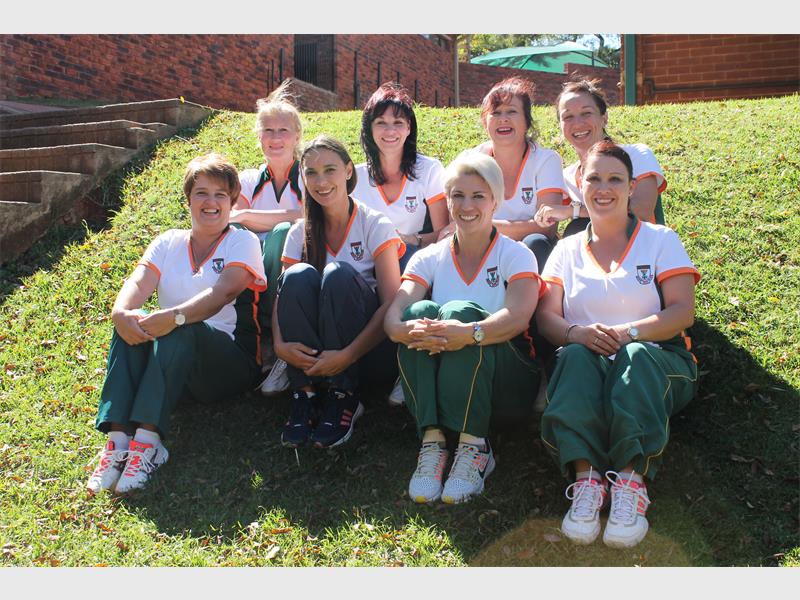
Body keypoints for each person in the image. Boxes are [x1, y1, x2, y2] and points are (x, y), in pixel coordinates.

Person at [536, 141, 700, 548]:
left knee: (636, 354)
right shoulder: (565, 250)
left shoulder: (660, 239)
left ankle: (630, 483)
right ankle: (587, 480)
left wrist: (629, 333)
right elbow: (546, 317)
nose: (604, 188)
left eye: (615, 179)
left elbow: (682, 312)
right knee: (574, 356)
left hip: (656, 360)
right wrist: (575, 334)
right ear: (580, 184)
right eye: (594, 178)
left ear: (631, 187)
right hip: (589, 363)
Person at [87, 154, 267, 494]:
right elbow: (139, 282)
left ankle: (148, 444)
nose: (211, 202)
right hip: (174, 364)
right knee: (130, 322)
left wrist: (175, 317)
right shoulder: (168, 241)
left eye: (220, 194)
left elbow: (224, 292)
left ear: (232, 201)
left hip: (230, 364)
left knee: (183, 326)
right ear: (188, 199)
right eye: (201, 193)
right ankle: (117, 442)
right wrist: (120, 313)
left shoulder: (242, 241)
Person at [384, 152, 544, 504]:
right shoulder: (429, 256)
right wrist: (402, 329)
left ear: (495, 201)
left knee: (459, 311)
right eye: (458, 195)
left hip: (507, 384)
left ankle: (475, 448)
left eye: (478, 196)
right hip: (449, 382)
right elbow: (396, 311)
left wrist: (469, 333)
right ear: (447, 200)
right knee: (420, 312)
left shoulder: (517, 254)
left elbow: (518, 317)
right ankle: (433, 442)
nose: (466, 205)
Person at [274, 136, 403, 449]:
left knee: (338, 274)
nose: (321, 182)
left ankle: (344, 395)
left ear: (348, 171)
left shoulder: (374, 224)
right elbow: (282, 298)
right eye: (311, 173)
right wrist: (279, 346)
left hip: (366, 353)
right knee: (297, 275)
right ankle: (305, 393)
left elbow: (392, 305)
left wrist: (348, 355)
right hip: (318, 350)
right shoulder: (299, 232)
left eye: (329, 170)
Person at [451, 76, 567, 270]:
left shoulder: (546, 159)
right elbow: (455, 220)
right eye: (495, 113)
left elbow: (547, 227)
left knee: (535, 241)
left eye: (511, 111)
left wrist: (484, 226)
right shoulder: (469, 160)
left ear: (527, 121)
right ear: (485, 122)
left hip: (529, 250)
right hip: (481, 247)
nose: (503, 119)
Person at [536, 79, 667, 237]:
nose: (578, 124)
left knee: (579, 226)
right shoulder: (566, 177)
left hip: (641, 247)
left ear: (604, 118)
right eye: (568, 117)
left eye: (586, 113)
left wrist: (574, 211)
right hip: (591, 249)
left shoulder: (636, 154)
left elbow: (640, 212)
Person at [229, 82, 304, 330]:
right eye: (268, 130)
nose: (275, 138)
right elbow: (233, 219)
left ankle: (272, 321)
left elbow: (306, 216)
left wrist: (248, 215)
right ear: (259, 136)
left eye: (283, 130)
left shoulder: (308, 177)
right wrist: (244, 216)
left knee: (283, 233)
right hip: (252, 259)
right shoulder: (248, 179)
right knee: (237, 234)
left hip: (294, 260)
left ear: (297, 136)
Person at [355, 82, 449, 272]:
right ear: (369, 128)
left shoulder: (429, 170)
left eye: (398, 122)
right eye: (381, 122)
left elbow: (444, 234)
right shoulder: (355, 177)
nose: (390, 131)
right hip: (366, 265)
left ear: (409, 128)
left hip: (411, 263)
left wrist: (411, 240)